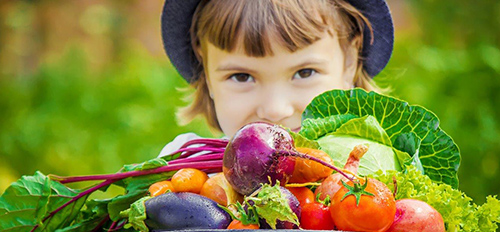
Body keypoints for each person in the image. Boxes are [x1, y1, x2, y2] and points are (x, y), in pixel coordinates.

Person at [158, 0, 394, 157]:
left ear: (349, 64)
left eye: (304, 73)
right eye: (241, 76)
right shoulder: (184, 167)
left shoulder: (375, 177)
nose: (274, 110)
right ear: (207, 73)